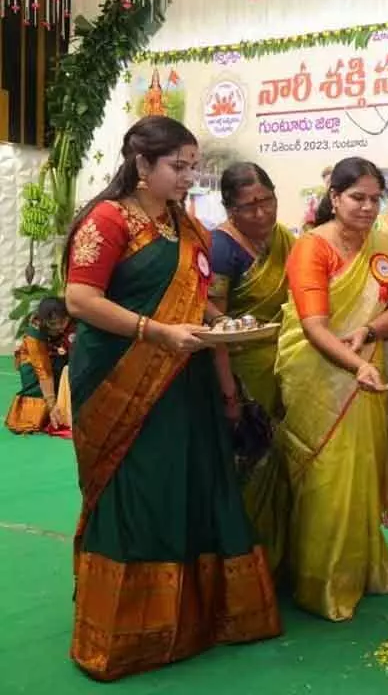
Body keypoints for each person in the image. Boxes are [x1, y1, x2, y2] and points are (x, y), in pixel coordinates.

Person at [63, 115, 280, 681]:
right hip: (122, 372)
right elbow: (81, 299)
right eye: (178, 167)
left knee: (193, 479)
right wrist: (155, 332)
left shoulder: (186, 225)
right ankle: (128, 634)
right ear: (142, 166)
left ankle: (198, 622)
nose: (190, 177)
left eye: (192, 166)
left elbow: (197, 302)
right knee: (141, 484)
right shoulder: (107, 220)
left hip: (186, 375)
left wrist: (225, 325)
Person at [274, 156, 388, 621]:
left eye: (376, 199)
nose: (369, 208)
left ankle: (360, 570)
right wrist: (357, 366)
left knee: (361, 468)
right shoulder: (312, 247)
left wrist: (369, 335)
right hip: (319, 372)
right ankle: (321, 581)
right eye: (357, 197)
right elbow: (314, 326)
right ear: (334, 198)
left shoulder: (387, 245)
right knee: (326, 473)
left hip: (361, 362)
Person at [208, 162, 296, 575]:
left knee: (281, 466)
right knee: (246, 467)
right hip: (238, 372)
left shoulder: (285, 240)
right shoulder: (221, 249)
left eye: (267, 201)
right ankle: (243, 571)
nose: (262, 214)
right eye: (248, 207)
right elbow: (216, 326)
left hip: (283, 368)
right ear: (229, 208)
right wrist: (230, 396)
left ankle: (276, 563)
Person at [6, 297, 71, 434]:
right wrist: (52, 405)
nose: (59, 327)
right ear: (44, 322)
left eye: (62, 322)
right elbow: (43, 370)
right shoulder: (35, 330)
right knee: (37, 409)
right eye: (53, 324)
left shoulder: (75, 317)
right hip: (34, 362)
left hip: (60, 356)